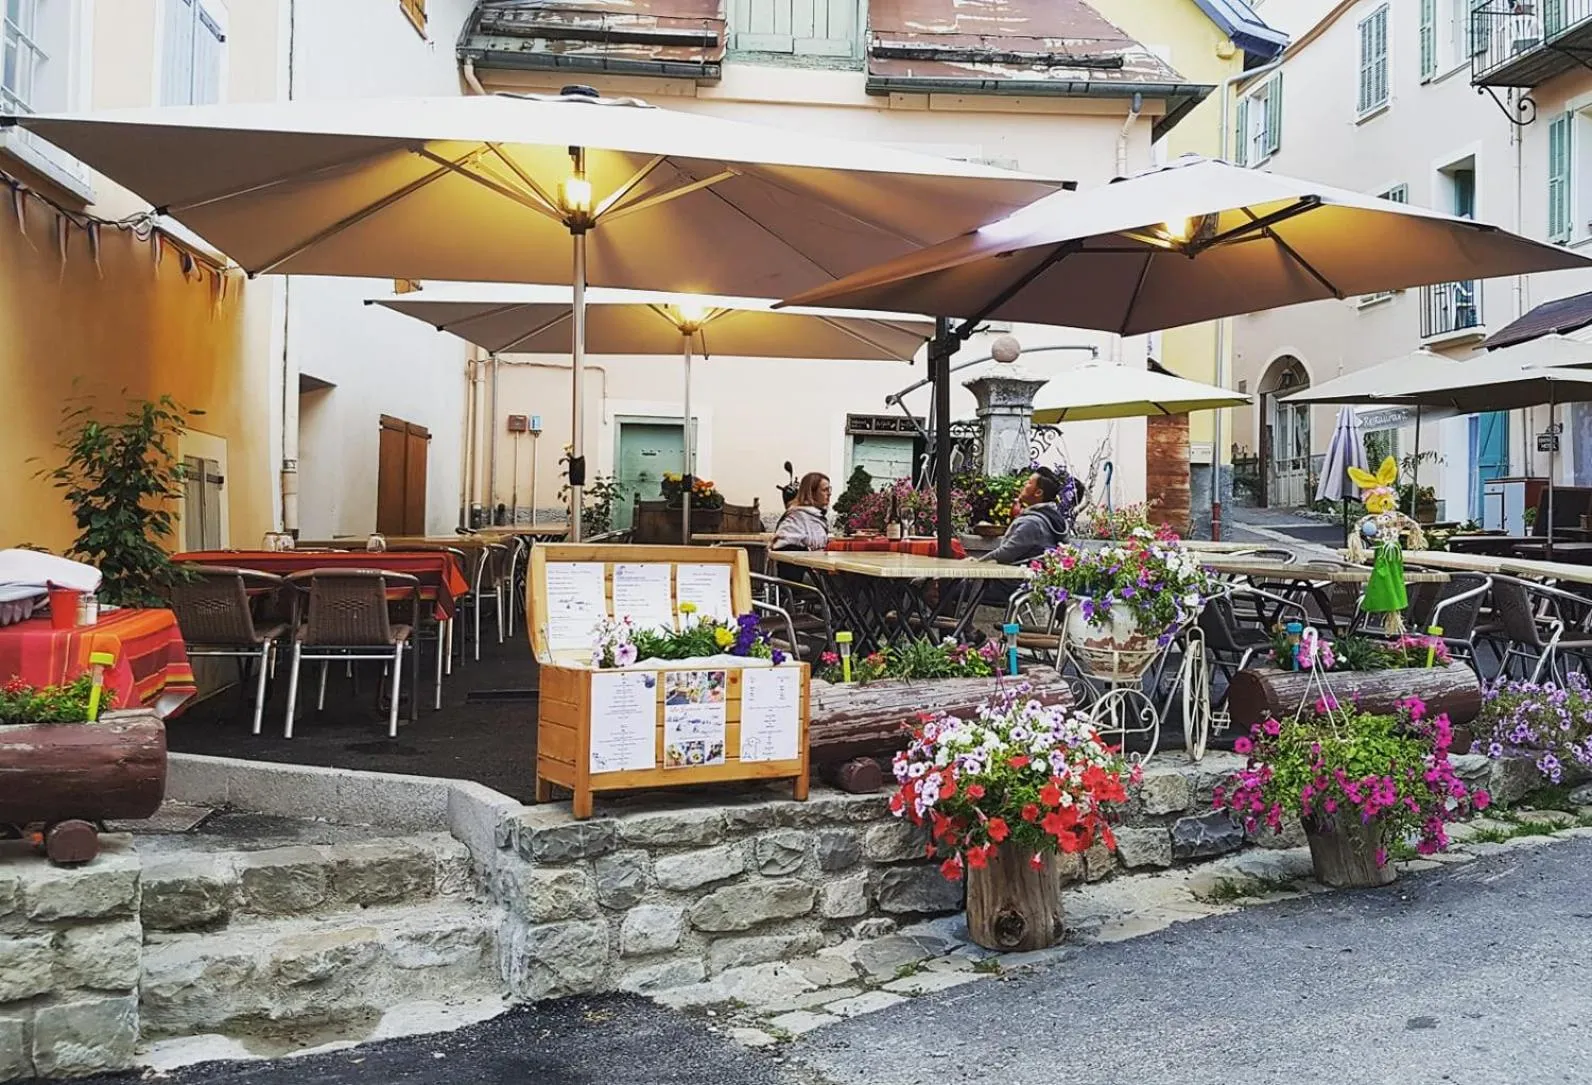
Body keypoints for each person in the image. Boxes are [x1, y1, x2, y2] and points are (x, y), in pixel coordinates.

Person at [980, 466, 1073, 566]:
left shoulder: (1032, 523)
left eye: (1029, 482)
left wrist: (977, 563)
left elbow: (1006, 554)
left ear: (1038, 493)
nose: (1024, 484)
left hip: (1017, 575)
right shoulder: (1056, 520)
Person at [771, 472, 831, 551]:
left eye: (829, 489)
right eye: (825, 490)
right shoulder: (795, 518)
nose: (829, 493)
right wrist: (809, 551)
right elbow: (781, 547)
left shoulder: (817, 517)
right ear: (811, 493)